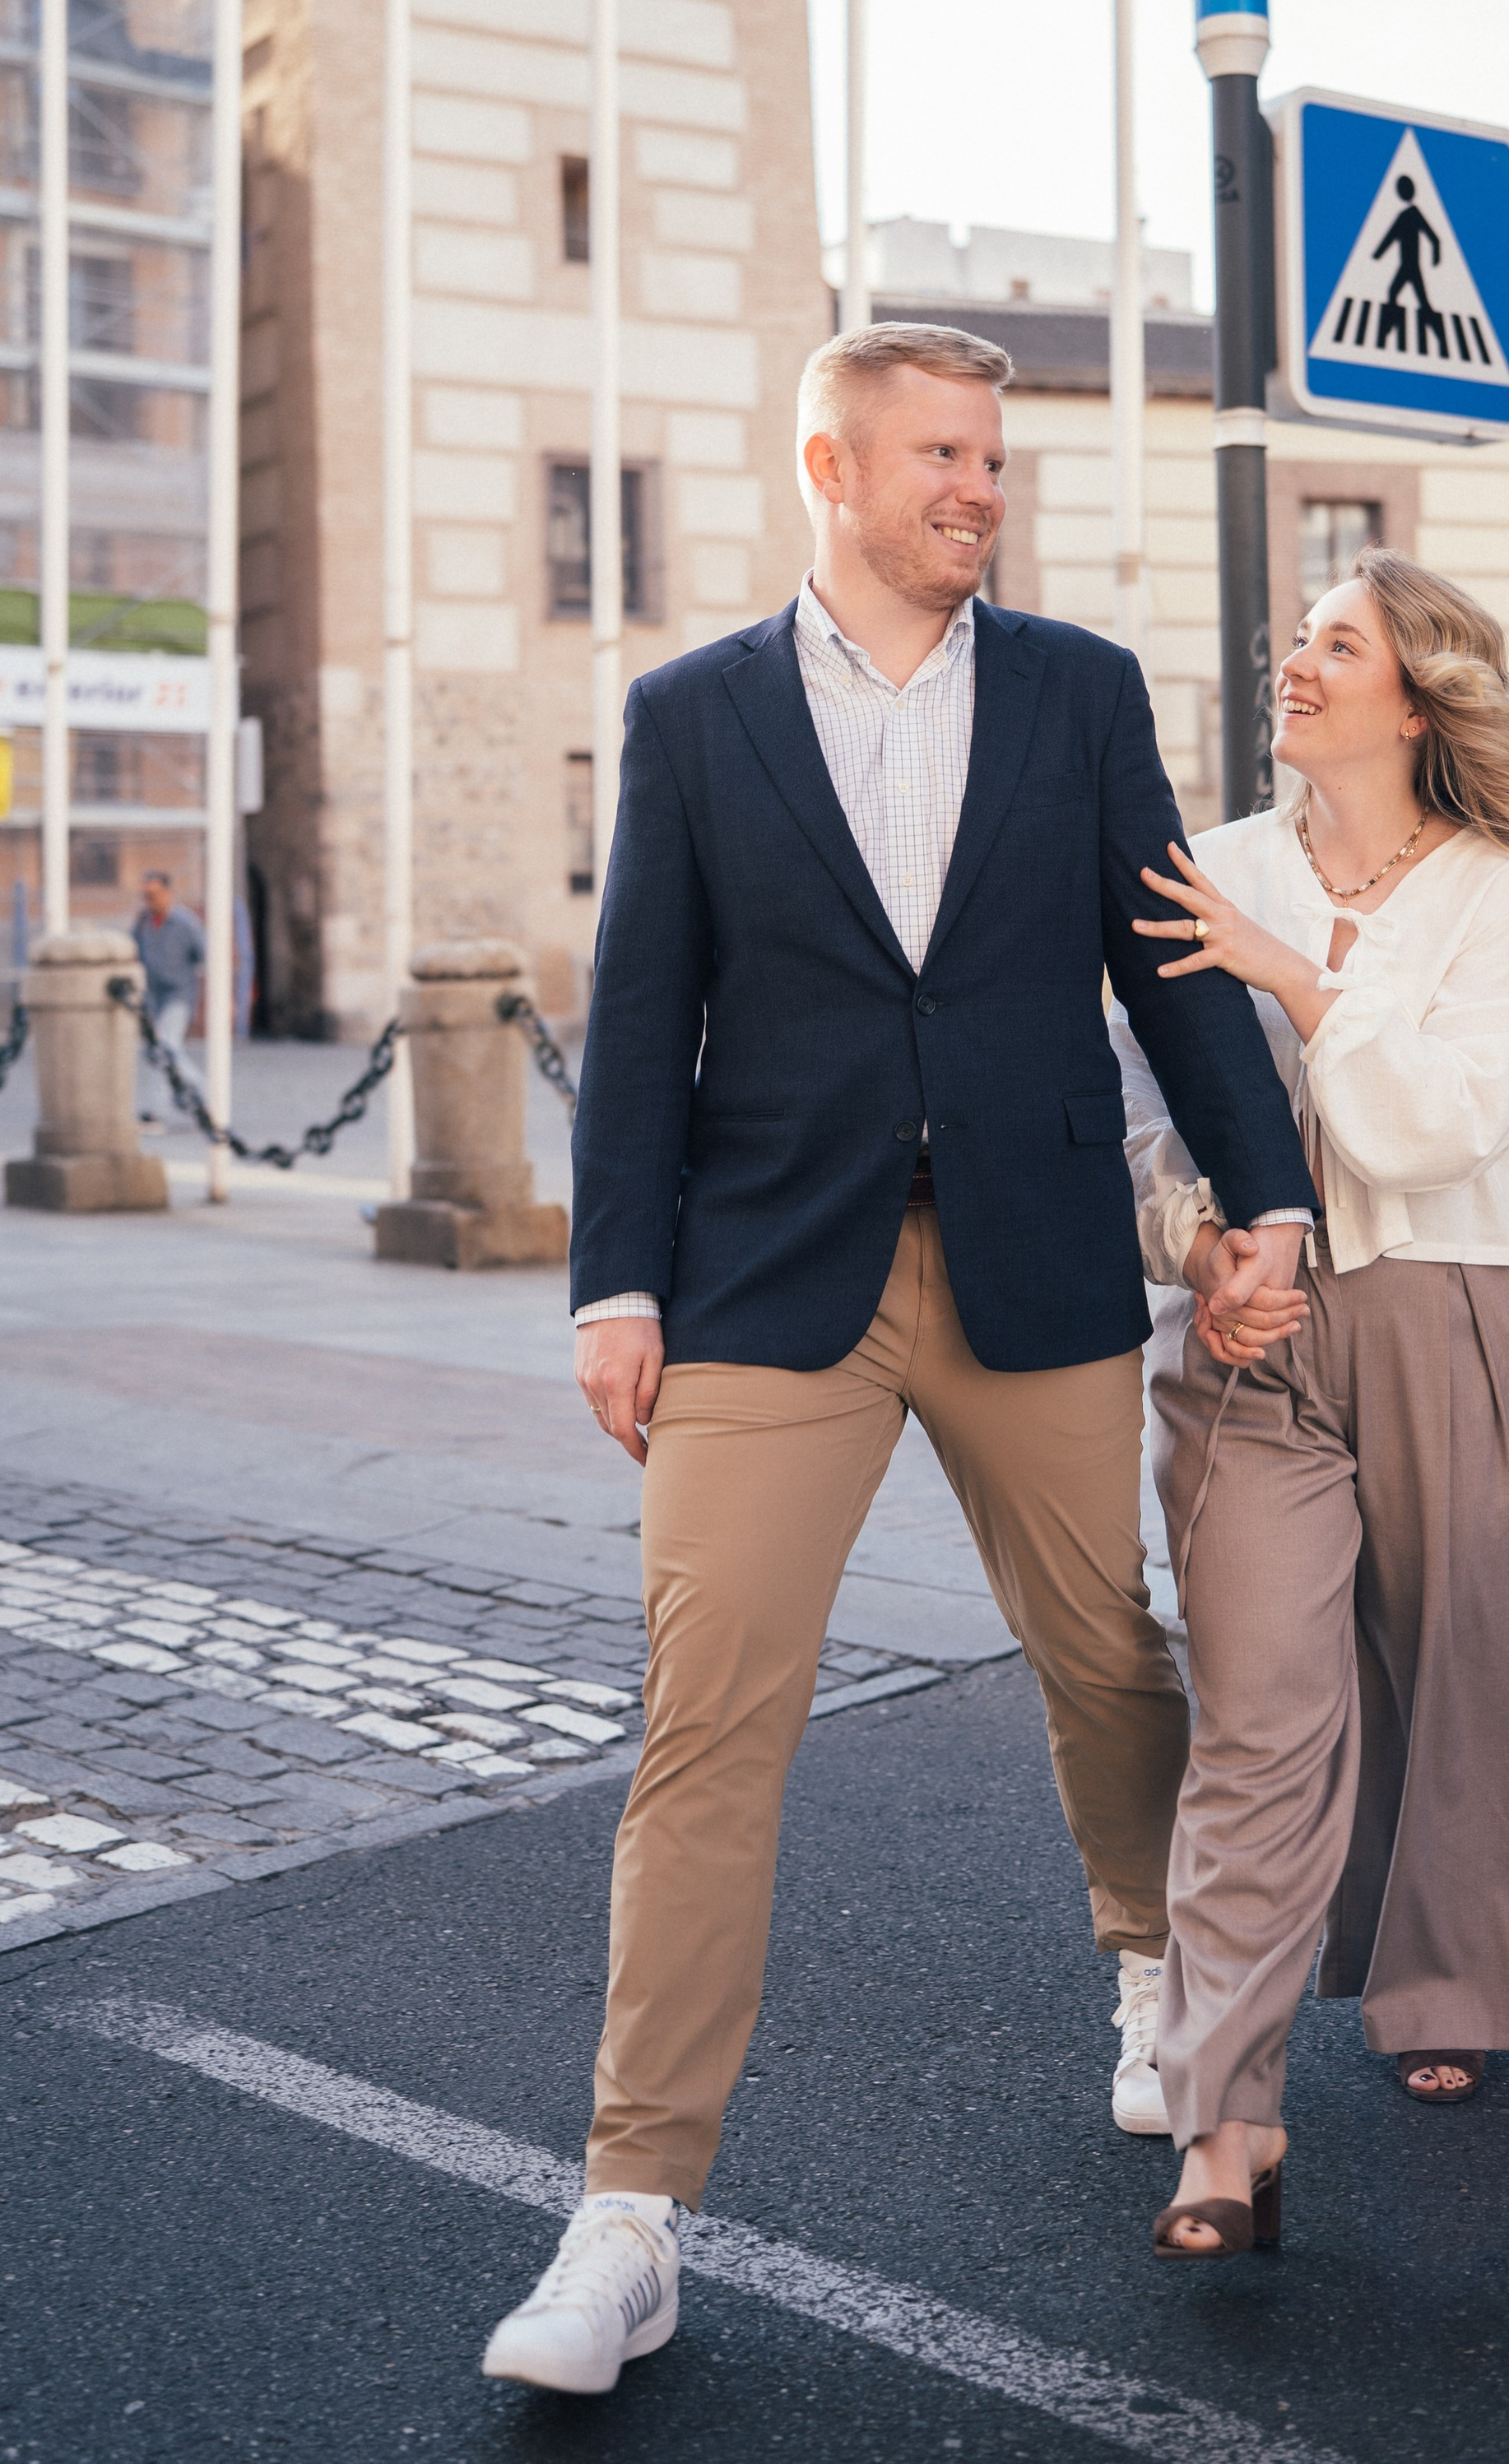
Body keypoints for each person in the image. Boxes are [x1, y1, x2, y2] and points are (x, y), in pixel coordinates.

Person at [483, 321, 1316, 2395]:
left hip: (1029, 1262)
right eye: (939, 451)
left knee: (1102, 1648)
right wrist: (615, 1278)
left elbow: (1175, 963)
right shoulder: (690, 716)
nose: (978, 484)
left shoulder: (1077, 690)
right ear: (827, 469)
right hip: (775, 1283)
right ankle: (626, 2213)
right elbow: (639, 1009)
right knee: (705, 1716)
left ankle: (1147, 1966)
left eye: (990, 454)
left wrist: (1266, 1195)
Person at [1112, 547, 1509, 2260]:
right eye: (1290, 636)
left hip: (1446, 1303)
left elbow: (1436, 1125)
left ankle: (1446, 1975)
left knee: (1463, 1657)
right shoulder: (1208, 870)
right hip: (1245, 1337)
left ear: (1415, 689)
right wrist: (1197, 1248)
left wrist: (1294, 975)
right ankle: (1223, 2115)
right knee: (1253, 1708)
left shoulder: (1499, 894)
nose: (1289, 663)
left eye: (1330, 641)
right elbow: (1143, 1111)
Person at [130, 870, 204, 1120]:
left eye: (153, 895)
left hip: (178, 996)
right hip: (153, 999)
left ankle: (197, 1096)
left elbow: (207, 954)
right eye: (145, 896)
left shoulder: (185, 924)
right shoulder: (143, 924)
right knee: (155, 1051)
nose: (148, 901)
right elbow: (134, 953)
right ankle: (188, 1094)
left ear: (167, 893)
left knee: (166, 1048)